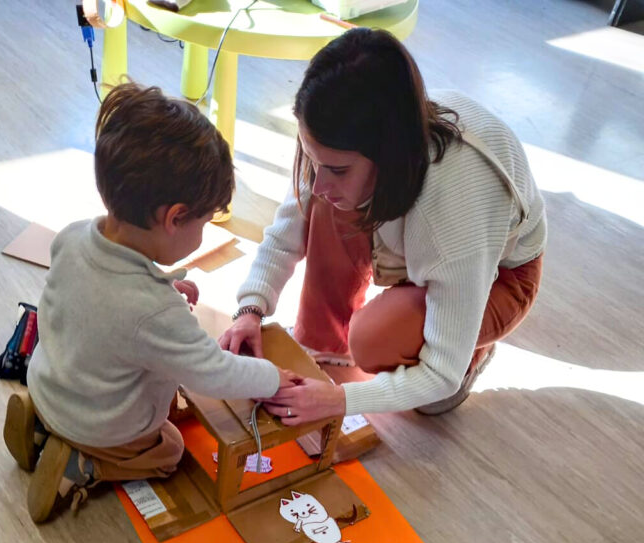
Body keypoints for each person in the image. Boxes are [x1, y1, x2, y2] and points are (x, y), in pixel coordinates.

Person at [3, 80, 298, 523]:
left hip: (47, 385)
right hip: (101, 425)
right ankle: (82, 463)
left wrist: (159, 287)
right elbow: (214, 372)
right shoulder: (155, 312)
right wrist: (273, 379)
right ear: (174, 218)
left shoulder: (74, 236)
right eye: (203, 222)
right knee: (171, 449)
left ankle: (43, 425)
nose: (203, 233)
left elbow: (102, 302)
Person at [219, 28, 546, 425]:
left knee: (376, 345)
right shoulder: (341, 135)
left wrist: (340, 400)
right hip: (412, 224)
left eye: (337, 169)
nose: (318, 183)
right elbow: (286, 232)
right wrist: (250, 309)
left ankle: (473, 349)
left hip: (500, 278)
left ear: (389, 156)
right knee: (327, 200)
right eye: (312, 158)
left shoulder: (452, 214)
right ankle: (326, 342)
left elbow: (440, 374)